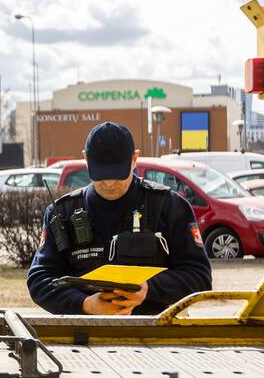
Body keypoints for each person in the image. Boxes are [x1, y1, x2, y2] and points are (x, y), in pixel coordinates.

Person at [27, 122, 212, 315]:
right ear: (85, 160)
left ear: (134, 159)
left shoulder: (170, 207)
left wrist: (149, 288)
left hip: (155, 333)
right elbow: (39, 280)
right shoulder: (62, 213)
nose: (109, 183)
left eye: (117, 175)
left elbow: (199, 277)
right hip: (82, 334)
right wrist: (85, 304)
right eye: (100, 175)